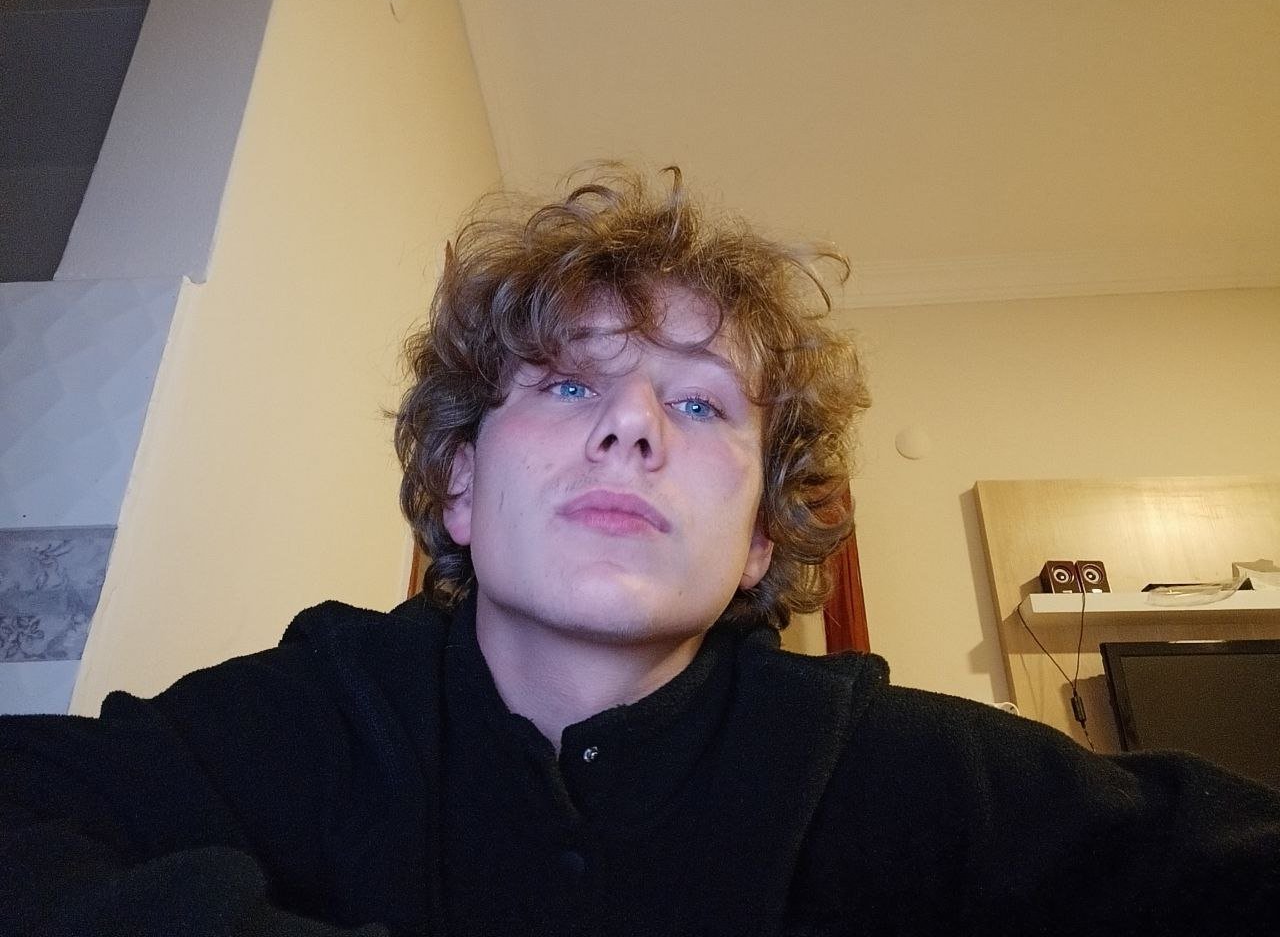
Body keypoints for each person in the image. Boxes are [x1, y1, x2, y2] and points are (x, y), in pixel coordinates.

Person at [1, 166, 1277, 937]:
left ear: (757, 541)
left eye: (702, 405)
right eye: (567, 385)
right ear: (459, 484)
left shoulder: (897, 773)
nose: (630, 426)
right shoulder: (324, 712)